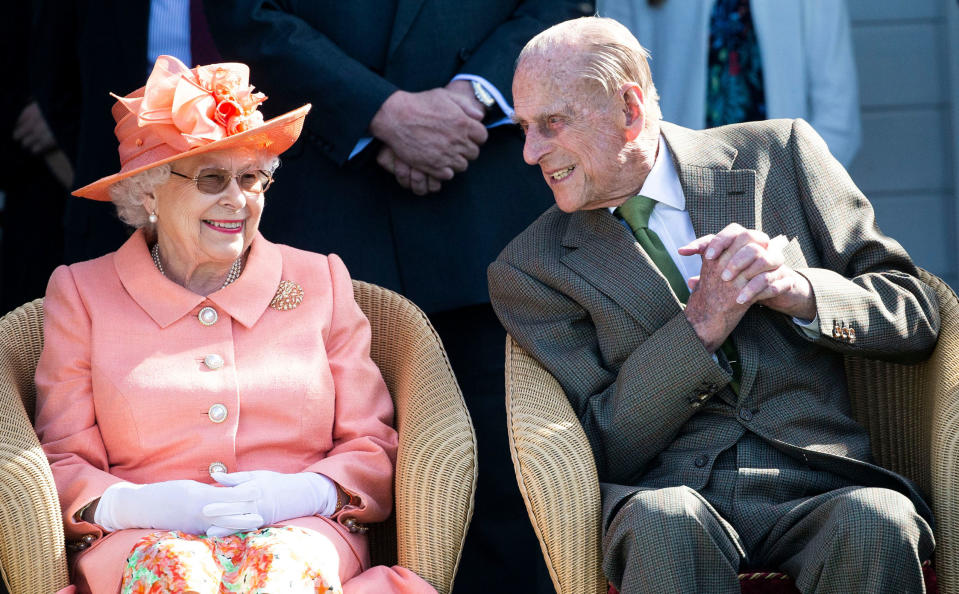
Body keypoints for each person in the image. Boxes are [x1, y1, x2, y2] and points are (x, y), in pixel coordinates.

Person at [488, 17, 937, 594]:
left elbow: (917, 313)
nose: (530, 153)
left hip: (821, 480)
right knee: (666, 523)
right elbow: (596, 443)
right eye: (524, 127)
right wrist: (701, 325)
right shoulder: (530, 268)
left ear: (628, 110)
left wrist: (797, 290)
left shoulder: (783, 156)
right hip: (670, 496)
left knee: (876, 520)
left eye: (551, 123)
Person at [203, 3, 592, 590]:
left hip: (487, 205)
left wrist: (471, 100)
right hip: (330, 203)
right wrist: (379, 112)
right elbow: (248, 12)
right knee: (330, 482)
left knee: (512, 482)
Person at [34, 55, 436, 594]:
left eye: (252, 178)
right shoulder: (82, 293)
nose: (237, 199)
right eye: (212, 178)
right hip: (141, 540)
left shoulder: (321, 281)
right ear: (148, 191)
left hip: (301, 535)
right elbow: (59, 460)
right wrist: (138, 504)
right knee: (177, 575)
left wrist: (306, 493)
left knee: (279, 574)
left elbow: (372, 442)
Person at [597, 0, 861, 167]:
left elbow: (838, 120)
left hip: (783, 200)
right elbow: (617, 97)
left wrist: (792, 196)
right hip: (676, 195)